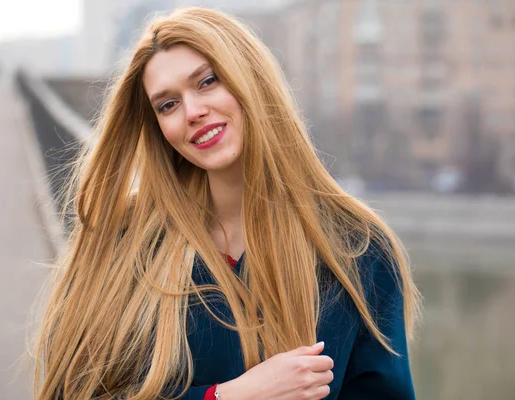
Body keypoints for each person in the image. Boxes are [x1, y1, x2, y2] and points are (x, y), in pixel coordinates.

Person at [31, 7, 421, 400]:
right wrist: (229, 396)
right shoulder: (123, 238)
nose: (193, 112)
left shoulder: (357, 248)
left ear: (250, 77)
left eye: (207, 81)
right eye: (168, 105)